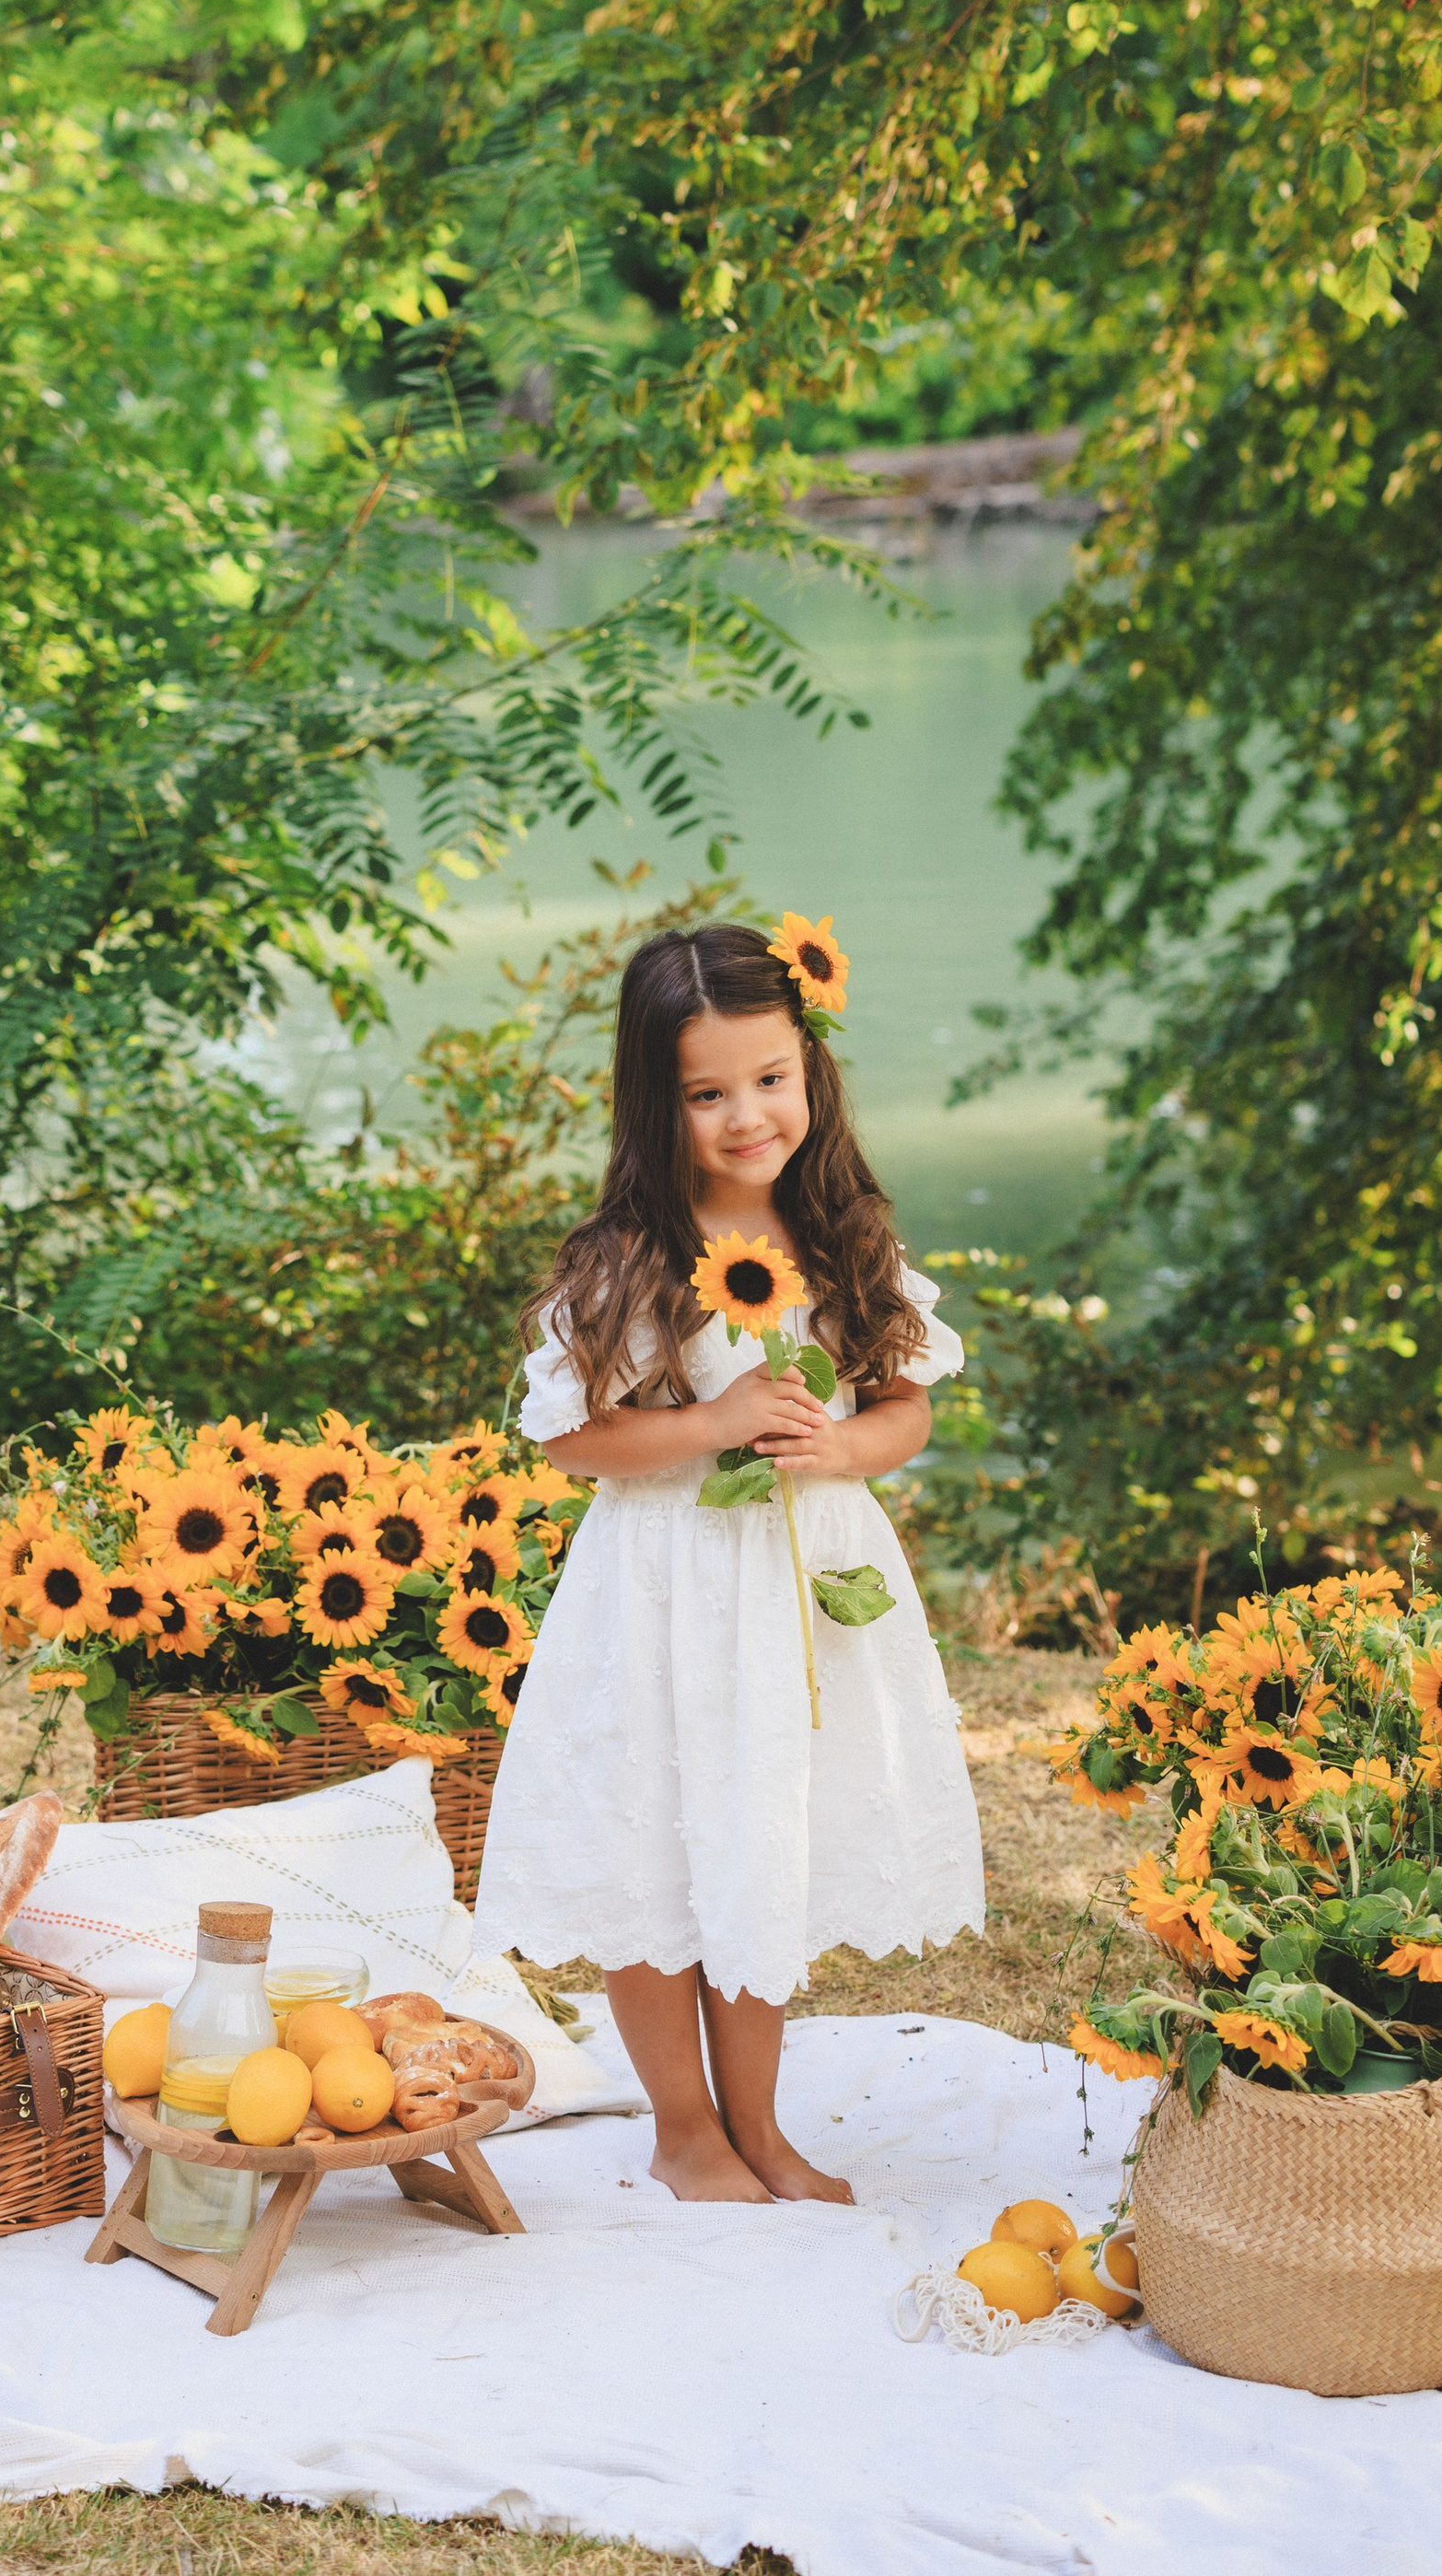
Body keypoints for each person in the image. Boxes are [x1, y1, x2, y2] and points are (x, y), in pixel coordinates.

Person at [470, 918, 984, 2203]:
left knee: (763, 1836)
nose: (749, 1114)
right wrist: (710, 1422)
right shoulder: (630, 1262)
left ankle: (761, 2123)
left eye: (770, 1078)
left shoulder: (843, 1232)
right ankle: (683, 2126)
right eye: (708, 1093)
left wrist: (853, 1443)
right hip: (661, 1592)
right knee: (656, 1844)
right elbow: (571, 1439)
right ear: (659, 1103)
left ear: (811, 1071)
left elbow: (910, 1397)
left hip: (798, 1588)